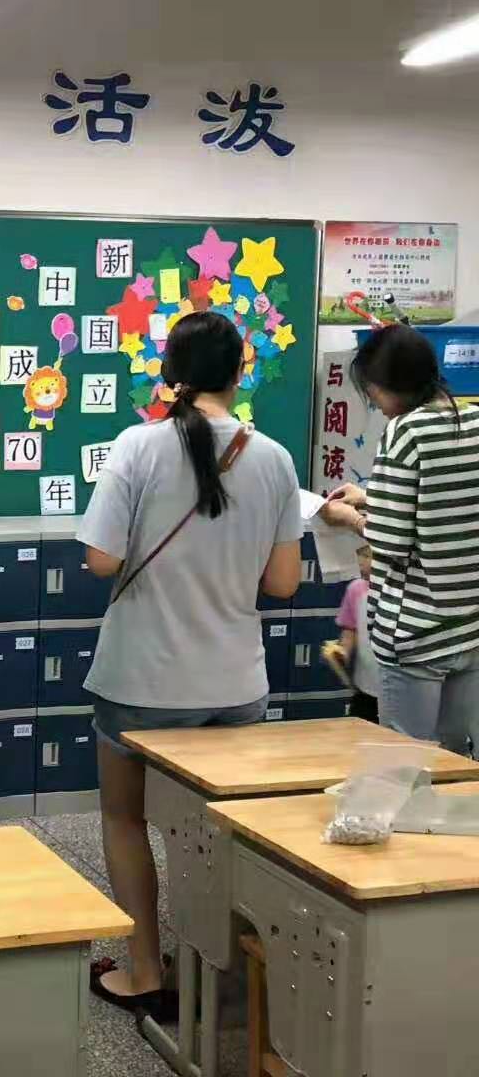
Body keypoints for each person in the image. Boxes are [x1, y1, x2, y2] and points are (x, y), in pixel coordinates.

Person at [77, 310, 301, 1014]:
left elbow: (101, 558)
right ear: (241, 373)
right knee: (212, 830)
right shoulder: (274, 458)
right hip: (235, 685)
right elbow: (284, 585)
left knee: (126, 820)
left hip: (139, 680)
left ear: (169, 374)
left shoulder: (136, 447)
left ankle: (145, 969)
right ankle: (219, 969)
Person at [320, 325, 479, 755]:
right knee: (452, 759)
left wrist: (348, 518)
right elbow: (445, 503)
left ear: (390, 385)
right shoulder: (471, 418)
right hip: (467, 626)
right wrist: (372, 497)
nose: (372, 400)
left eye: (371, 390)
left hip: (415, 629)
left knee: (404, 760)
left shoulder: (405, 431)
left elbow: (389, 543)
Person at [327, 546, 379, 721]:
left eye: (367, 556)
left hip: (397, 685)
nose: (361, 562)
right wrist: (342, 656)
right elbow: (349, 632)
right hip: (365, 685)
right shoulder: (356, 589)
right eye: (359, 556)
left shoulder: (401, 589)